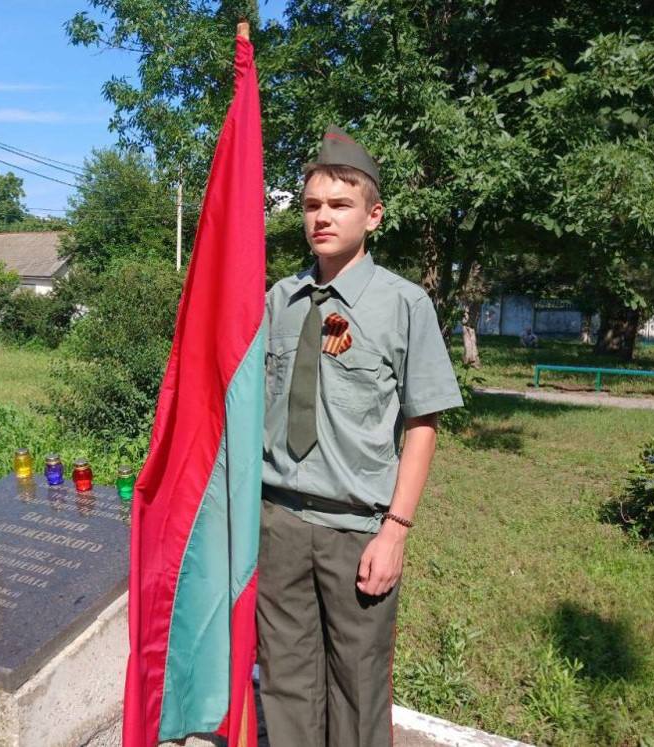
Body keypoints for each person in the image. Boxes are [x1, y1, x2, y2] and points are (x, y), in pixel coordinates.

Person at [257, 125, 464, 747]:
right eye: (311, 205)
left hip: (357, 531)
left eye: (340, 204)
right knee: (286, 684)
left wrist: (395, 531)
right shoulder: (278, 300)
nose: (322, 217)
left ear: (373, 216)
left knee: (358, 686)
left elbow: (422, 424)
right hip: (279, 522)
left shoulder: (403, 304)